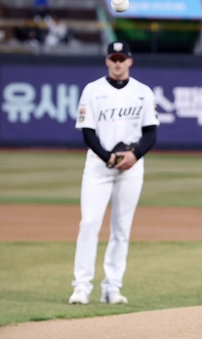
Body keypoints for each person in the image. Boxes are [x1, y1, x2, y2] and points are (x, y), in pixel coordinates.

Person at [68, 41, 160, 305]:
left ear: (130, 61)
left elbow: (150, 132)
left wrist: (134, 155)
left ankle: (112, 287)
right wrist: (107, 156)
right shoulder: (93, 90)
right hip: (98, 165)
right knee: (89, 223)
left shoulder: (143, 92)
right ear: (107, 61)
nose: (118, 63)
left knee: (121, 228)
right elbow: (87, 131)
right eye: (113, 58)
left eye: (122, 58)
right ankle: (82, 286)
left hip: (131, 167)